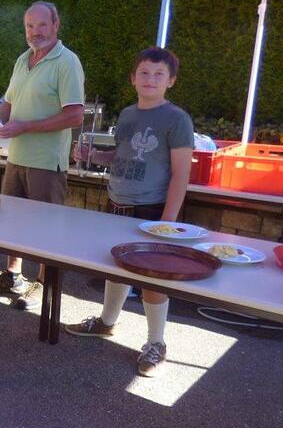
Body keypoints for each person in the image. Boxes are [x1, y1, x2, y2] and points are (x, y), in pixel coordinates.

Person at [63, 47, 194, 377]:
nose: (151, 79)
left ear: (171, 81)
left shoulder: (177, 119)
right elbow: (121, 156)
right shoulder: (127, 114)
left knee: (151, 277)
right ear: (133, 78)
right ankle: (106, 322)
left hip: (151, 209)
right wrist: (94, 155)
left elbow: (181, 174)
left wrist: (167, 221)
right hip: (116, 203)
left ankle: (156, 342)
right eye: (144, 73)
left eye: (159, 74)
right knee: (116, 265)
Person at [0, 1, 85, 310]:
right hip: (16, 157)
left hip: (47, 163)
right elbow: (9, 102)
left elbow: (75, 115)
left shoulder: (67, 61)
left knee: (46, 228)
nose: (35, 32)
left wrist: (26, 126)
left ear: (56, 25)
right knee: (12, 221)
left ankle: (43, 284)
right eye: (29, 25)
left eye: (41, 25)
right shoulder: (22, 59)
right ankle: (12, 275)